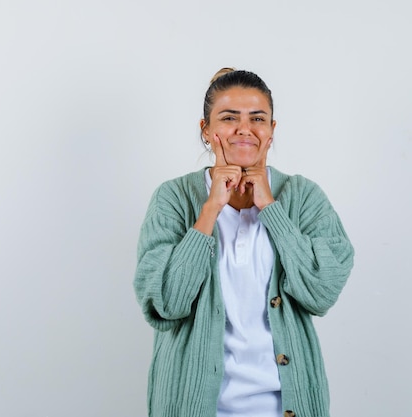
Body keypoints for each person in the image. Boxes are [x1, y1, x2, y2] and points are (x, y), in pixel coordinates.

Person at [133, 68, 355, 417]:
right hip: (193, 407)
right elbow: (166, 304)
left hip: (285, 406)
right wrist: (210, 211)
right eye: (228, 117)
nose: (244, 129)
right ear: (206, 130)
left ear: (271, 131)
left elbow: (322, 291)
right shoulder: (173, 198)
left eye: (257, 118)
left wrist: (271, 208)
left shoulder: (304, 197)